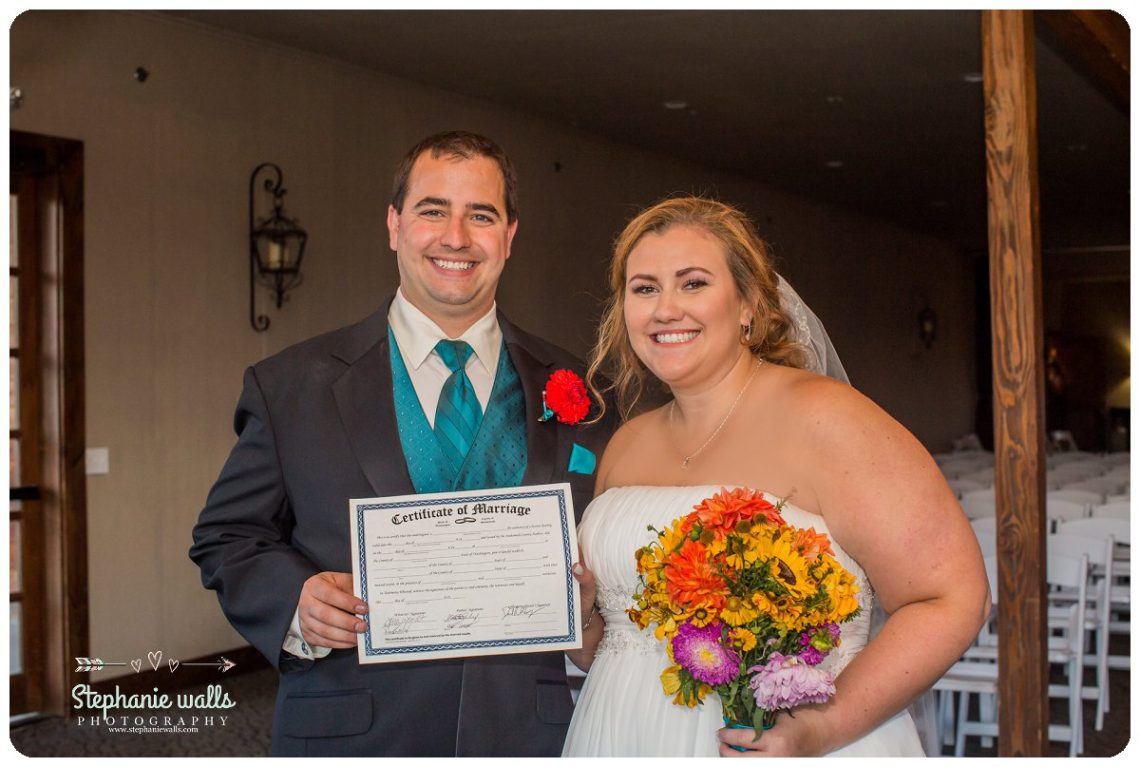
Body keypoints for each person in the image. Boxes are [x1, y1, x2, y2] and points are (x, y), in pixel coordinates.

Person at [189, 131, 617, 757]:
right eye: (432, 210)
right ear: (394, 225)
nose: (456, 236)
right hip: (354, 729)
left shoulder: (586, 391)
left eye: (482, 215)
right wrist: (295, 602)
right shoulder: (289, 385)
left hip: (536, 732)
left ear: (509, 235)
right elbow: (227, 537)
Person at [561, 196, 990, 757]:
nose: (665, 309)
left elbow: (953, 597)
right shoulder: (625, 444)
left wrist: (822, 728)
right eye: (644, 288)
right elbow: (612, 647)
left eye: (693, 283)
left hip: (785, 742)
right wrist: (585, 616)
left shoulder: (827, 419)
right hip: (620, 734)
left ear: (749, 304)